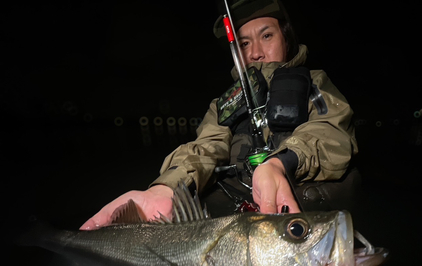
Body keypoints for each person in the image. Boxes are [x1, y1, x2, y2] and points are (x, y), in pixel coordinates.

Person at [80, 0, 358, 232]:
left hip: (296, 207)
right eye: (245, 43)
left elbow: (331, 131)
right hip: (238, 212)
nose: (256, 52)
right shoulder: (224, 102)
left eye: (267, 36)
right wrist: (167, 187)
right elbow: (205, 148)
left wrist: (280, 164)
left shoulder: (314, 81)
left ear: (286, 38)